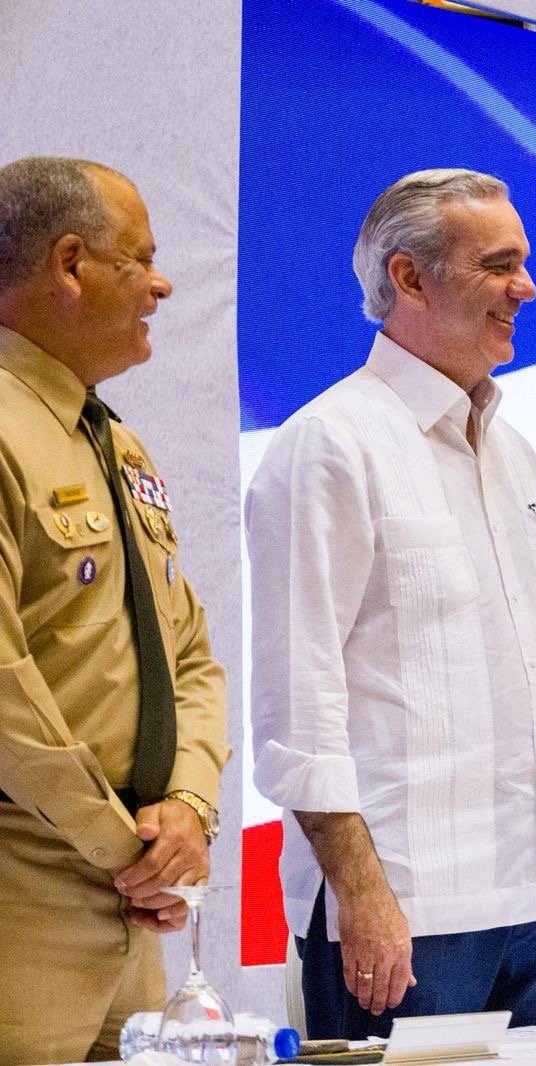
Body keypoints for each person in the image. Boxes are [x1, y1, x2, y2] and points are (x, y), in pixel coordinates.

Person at [247, 169, 536, 1037]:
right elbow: (299, 705)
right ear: (408, 278)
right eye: (499, 265)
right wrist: (361, 896)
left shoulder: (516, 456)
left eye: (523, 264)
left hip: (530, 906)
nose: (527, 288)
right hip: (406, 912)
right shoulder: (329, 445)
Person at [0, 157, 227, 1064]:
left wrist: (188, 810)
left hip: (131, 906)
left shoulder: (115, 441)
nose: (162, 286)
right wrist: (126, 847)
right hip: (26, 897)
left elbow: (190, 652)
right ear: (69, 263)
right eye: (142, 258)